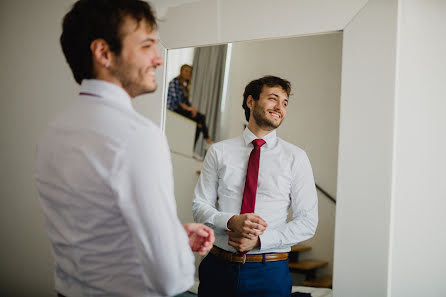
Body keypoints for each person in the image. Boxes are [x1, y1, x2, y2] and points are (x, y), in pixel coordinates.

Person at [34, 1, 214, 296]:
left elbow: (95, 230)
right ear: (104, 53)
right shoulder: (137, 136)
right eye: (147, 46)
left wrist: (172, 237)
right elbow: (170, 280)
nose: (158, 59)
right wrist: (171, 249)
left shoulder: (53, 132)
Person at [192, 76, 318, 297]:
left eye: (285, 102)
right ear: (250, 101)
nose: (280, 107)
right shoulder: (219, 151)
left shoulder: (296, 157)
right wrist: (231, 221)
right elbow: (199, 206)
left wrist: (260, 240)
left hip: (269, 272)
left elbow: (307, 221)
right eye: (273, 98)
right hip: (218, 268)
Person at [167, 64, 212, 147]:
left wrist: (193, 109)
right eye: (186, 71)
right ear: (181, 72)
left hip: (182, 110)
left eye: (190, 72)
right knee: (201, 118)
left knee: (199, 124)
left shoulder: (184, 87)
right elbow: (177, 100)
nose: (188, 73)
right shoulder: (174, 82)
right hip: (173, 109)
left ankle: (191, 148)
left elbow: (187, 103)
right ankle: (207, 140)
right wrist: (189, 109)